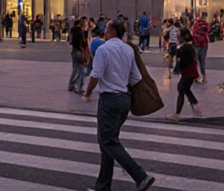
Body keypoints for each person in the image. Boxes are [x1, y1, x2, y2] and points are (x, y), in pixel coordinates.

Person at [82, 19, 155, 191]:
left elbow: (96, 75)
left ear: (111, 31)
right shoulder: (128, 49)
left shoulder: (103, 49)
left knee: (108, 141)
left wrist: (88, 93)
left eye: (106, 29)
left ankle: (140, 176)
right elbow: (136, 77)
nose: (104, 32)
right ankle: (103, 187)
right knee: (108, 142)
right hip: (124, 99)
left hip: (109, 100)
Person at [168, 34, 201, 121]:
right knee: (186, 89)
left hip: (187, 73)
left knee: (181, 89)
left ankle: (177, 114)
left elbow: (182, 60)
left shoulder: (183, 48)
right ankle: (197, 109)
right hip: (192, 72)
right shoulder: (190, 47)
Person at [68, 17, 89, 93]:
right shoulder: (80, 31)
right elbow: (83, 42)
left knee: (76, 69)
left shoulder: (73, 31)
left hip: (75, 50)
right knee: (79, 69)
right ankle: (77, 86)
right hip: (79, 51)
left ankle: (72, 85)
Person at [191, 15, 211, 84]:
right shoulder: (206, 24)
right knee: (202, 61)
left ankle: (196, 76)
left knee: (195, 61)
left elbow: (193, 33)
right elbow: (208, 31)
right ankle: (203, 76)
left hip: (196, 44)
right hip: (204, 44)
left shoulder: (196, 23)